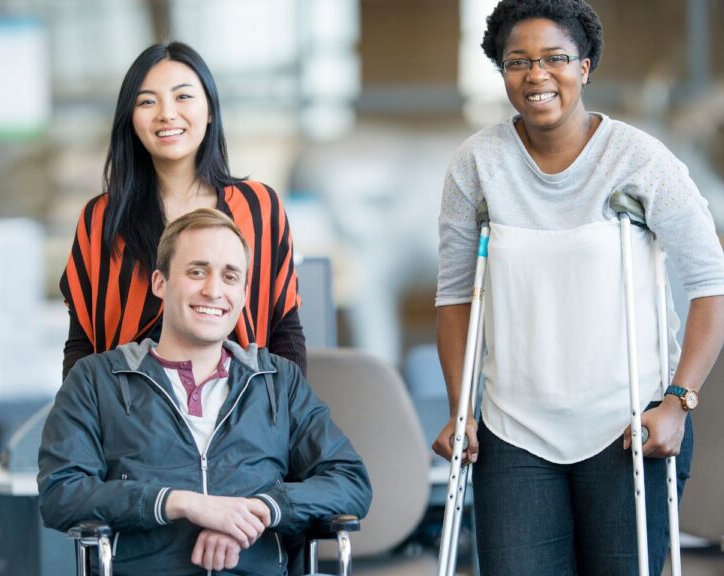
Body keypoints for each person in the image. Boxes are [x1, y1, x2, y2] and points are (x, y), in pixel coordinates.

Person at [432, 1, 724, 574]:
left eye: (554, 58)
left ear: (584, 67)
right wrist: (460, 411)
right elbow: (456, 297)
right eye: (517, 61)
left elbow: (710, 283)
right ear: (501, 71)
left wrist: (678, 401)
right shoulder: (477, 164)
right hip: (514, 430)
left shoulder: (639, 159)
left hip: (626, 426)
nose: (537, 75)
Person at [38, 208, 371, 576]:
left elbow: (349, 480)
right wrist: (180, 503)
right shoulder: (96, 380)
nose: (214, 290)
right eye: (197, 271)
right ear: (160, 283)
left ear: (243, 294)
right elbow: (61, 493)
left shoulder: (279, 381)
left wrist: (255, 512)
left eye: (230, 276)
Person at [60, 42, 306, 380]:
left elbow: (285, 333)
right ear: (130, 119)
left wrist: (286, 422)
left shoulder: (259, 207)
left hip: (241, 414)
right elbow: (81, 344)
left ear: (209, 111)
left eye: (183, 96)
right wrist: (80, 423)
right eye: (147, 101)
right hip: (128, 417)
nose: (166, 113)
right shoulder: (102, 217)